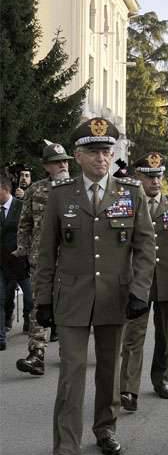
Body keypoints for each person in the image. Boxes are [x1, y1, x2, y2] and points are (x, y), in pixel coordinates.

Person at [36, 118, 156, 455]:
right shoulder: (61, 195)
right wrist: (42, 299)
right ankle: (66, 451)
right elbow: (46, 252)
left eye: (106, 151)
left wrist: (139, 290)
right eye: (93, 151)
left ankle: (105, 429)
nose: (102, 158)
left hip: (114, 296)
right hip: (71, 297)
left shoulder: (130, 193)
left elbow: (145, 247)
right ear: (77, 155)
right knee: (71, 373)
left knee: (108, 370)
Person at [119, 153, 168, 412]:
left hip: (167, 281)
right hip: (137, 282)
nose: (155, 181)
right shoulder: (126, 204)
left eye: (159, 176)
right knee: (133, 336)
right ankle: (128, 389)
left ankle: (161, 379)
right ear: (138, 177)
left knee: (164, 336)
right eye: (149, 176)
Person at [14, 141, 73, 374]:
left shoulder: (77, 189)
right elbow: (25, 224)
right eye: (56, 162)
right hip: (42, 259)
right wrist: (22, 251)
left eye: (65, 161)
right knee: (39, 305)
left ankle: (68, 351)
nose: (62, 165)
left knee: (69, 306)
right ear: (46, 166)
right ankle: (36, 354)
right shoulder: (35, 190)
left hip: (72, 259)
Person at [0, 176, 29, 351]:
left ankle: (31, 322)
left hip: (20, 262)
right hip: (1, 263)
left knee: (30, 297)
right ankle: (1, 337)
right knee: (1, 299)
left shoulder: (21, 206)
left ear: (5, 189)